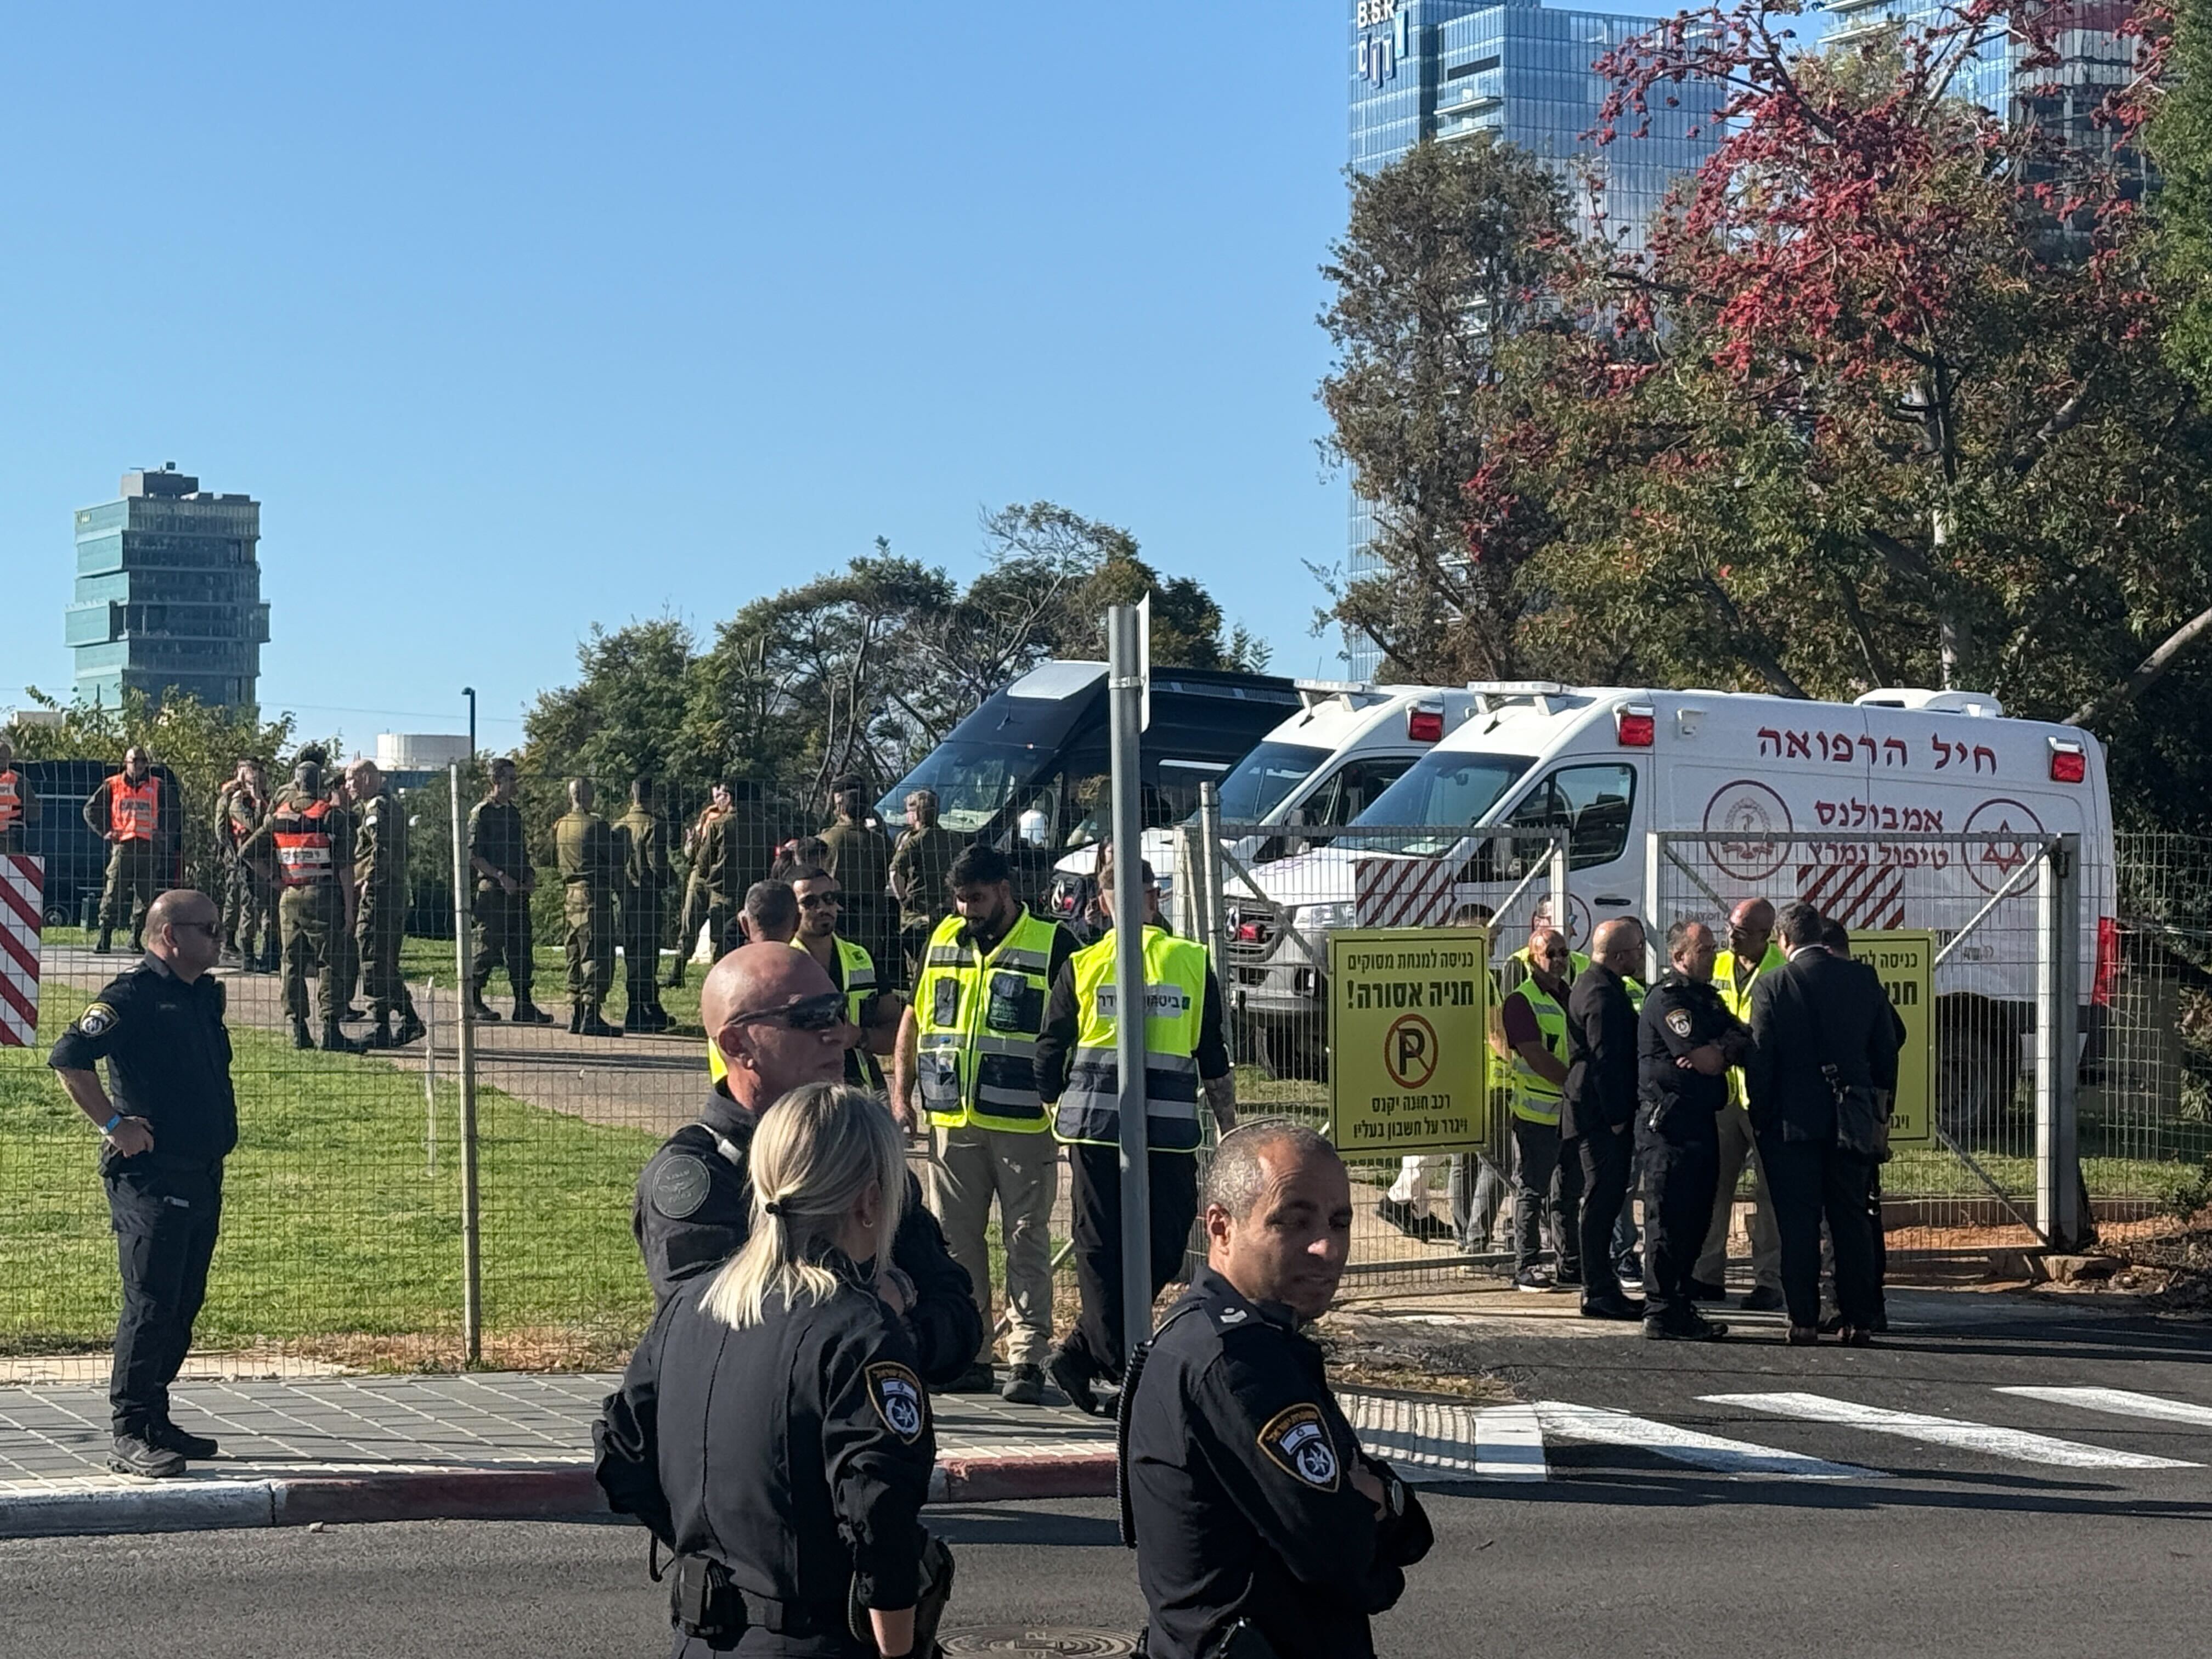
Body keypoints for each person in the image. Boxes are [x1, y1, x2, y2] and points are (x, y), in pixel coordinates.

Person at [597, 1082, 950, 1658]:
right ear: (867, 1202)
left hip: (699, 1635)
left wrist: (711, 1552)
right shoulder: (859, 1332)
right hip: (814, 1636)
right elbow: (878, 1512)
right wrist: (902, 1650)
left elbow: (622, 1453)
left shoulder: (692, 1306)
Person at [1119, 1121, 1432, 1659]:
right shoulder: (1238, 1362)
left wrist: (1384, 1504)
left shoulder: (1206, 1334)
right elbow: (1342, 1558)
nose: (1326, 1248)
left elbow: (1391, 1528)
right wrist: (1382, 1515)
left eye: (1339, 1222)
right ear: (1220, 1228)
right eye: (1293, 1221)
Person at [631, 943, 982, 1387]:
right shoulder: (699, 1174)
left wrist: (872, 1328)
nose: (837, 1032)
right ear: (738, 1045)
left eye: (837, 1011)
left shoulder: (867, 1152)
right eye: (810, 1018)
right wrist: (881, 1301)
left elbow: (958, 1324)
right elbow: (720, 1334)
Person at [1036, 849, 1238, 1417]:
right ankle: (1123, 1362)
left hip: (1138, 1131)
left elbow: (1051, 1047)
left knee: (1130, 1248)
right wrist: (1229, 1127)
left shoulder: (1180, 961)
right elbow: (1214, 1058)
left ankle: (1084, 1353)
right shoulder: (1094, 962)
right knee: (1130, 1248)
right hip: (1122, 1131)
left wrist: (1057, 1110)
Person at [47, 889, 237, 1477]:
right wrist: (113, 1124)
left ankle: (155, 1415)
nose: (218, 937)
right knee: (151, 1303)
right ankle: (130, 1430)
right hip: (152, 1179)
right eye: (208, 928)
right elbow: (69, 1058)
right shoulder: (132, 996)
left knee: (183, 1303)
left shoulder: (200, 997)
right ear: (170, 935)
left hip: (202, 1172)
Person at [891, 843, 1074, 1402]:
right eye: (959, 899)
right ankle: (970, 1352)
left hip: (1025, 1121)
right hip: (951, 1119)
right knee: (956, 1242)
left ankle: (1028, 1357)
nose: (966, 910)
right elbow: (915, 1019)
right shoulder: (943, 939)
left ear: (1004, 890)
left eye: (975, 898)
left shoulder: (1053, 943)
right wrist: (901, 1097)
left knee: (1026, 1239)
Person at [1743, 901, 1902, 1346]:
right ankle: (1858, 1319)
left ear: (1784, 940)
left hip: (1793, 1124)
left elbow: (1762, 1059)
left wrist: (1764, 1114)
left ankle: (1804, 1319)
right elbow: (1886, 1050)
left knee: (1799, 1223)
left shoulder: (1773, 985)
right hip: (1851, 1117)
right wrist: (1876, 1104)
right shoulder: (1863, 979)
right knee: (1850, 1220)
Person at [1636, 921, 1750, 1341]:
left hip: (1702, 1121)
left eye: (1713, 948)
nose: (1713, 955)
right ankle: (1662, 1310)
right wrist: (1717, 1051)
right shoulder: (1669, 1001)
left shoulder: (1708, 999)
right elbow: (1703, 1060)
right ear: (1679, 956)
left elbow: (1743, 1040)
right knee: (1669, 1220)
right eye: (1704, 950)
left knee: (1698, 1217)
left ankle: (1683, 1303)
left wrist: (1719, 1047)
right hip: (1670, 1127)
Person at [238, 748, 365, 1054]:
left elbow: (247, 853)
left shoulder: (278, 816)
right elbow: (345, 868)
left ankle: (298, 1028)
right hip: (323, 894)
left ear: (296, 783)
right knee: (329, 962)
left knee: (291, 963)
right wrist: (349, 909)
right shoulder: (330, 816)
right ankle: (331, 1029)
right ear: (320, 784)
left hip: (290, 896)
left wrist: (274, 879)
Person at [1697, 898, 1786, 1311]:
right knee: (1713, 1185)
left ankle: (1770, 1281)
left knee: (1770, 1193)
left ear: (1767, 935)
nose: (1732, 936)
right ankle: (1706, 1274)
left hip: (1766, 1097)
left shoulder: (1781, 970)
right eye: (1731, 926)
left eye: (1743, 931)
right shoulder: (1715, 966)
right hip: (1722, 1093)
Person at [1821, 917, 1906, 1331]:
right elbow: (1896, 1037)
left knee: (1843, 1215)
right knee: (1863, 1211)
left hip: (1843, 1117)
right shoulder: (1866, 985)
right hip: (1867, 1115)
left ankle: (1845, 1303)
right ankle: (1870, 1303)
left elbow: (1893, 1037)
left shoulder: (1844, 986)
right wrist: (1881, 1101)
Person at [1564, 916, 1646, 1321]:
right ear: (1618, 955)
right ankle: (1598, 1289)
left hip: (1594, 1110)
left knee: (1606, 1197)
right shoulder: (1601, 996)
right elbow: (1605, 1063)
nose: (1640, 956)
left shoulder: (1595, 984)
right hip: (1599, 1115)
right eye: (1635, 950)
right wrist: (1617, 1117)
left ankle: (1602, 1286)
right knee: (1602, 1198)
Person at [1501, 928, 1578, 1292]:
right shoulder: (1521, 1001)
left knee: (1568, 1193)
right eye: (1551, 953)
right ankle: (1526, 1265)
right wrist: (1575, 1084)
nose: (1560, 960)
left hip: (1570, 1113)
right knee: (1532, 1190)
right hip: (1537, 1115)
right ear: (1534, 958)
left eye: (1564, 953)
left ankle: (1570, 1264)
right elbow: (1534, 1054)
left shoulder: (1570, 996)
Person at [789, 866, 898, 1091]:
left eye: (829, 898)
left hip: (863, 1092)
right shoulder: (780, 963)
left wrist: (859, 1036)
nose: (822, 908)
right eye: (810, 902)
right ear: (791, 909)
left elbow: (898, 1032)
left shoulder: (863, 958)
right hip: (801, 1096)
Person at [345, 759, 424, 1050]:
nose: (348, 786)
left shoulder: (378, 808)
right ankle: (408, 1017)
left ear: (368, 777)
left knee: (373, 953)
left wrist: (370, 882)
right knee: (384, 959)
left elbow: (381, 851)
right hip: (390, 892)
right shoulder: (382, 806)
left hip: (381, 894)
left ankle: (381, 1024)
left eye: (352, 779)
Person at [469, 757, 551, 1025]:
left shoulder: (513, 813)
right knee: (488, 946)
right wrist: (500, 876)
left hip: (517, 891)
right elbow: (473, 855)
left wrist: (528, 875)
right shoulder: (482, 813)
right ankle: (473, 998)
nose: (516, 785)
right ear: (496, 781)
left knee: (521, 947)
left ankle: (524, 1002)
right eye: (511, 779)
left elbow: (521, 850)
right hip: (493, 890)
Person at [84, 746, 168, 955]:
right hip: (123, 845)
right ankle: (105, 937)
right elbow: (90, 810)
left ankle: (136, 938)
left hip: (148, 847)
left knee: (146, 896)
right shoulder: (112, 785)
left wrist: (164, 833)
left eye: (142, 760)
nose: (138, 764)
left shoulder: (158, 785)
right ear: (126, 761)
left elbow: (173, 812)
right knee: (114, 893)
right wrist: (105, 831)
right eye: (134, 760)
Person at [554, 778, 620, 1038]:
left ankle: (576, 1011)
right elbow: (615, 855)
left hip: (569, 893)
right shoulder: (596, 825)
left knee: (574, 951)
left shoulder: (561, 825)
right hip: (593, 892)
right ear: (587, 796)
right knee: (596, 949)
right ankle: (592, 1011)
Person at [614, 777, 673, 1034]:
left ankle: (646, 1003)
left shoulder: (619, 827)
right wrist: (671, 879)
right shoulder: (654, 825)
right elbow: (657, 863)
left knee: (632, 950)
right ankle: (639, 1007)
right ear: (652, 796)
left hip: (626, 895)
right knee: (648, 953)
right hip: (647, 895)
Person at [819, 786, 894, 982]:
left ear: (842, 809)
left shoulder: (828, 839)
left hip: (841, 914)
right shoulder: (879, 842)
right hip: (871, 915)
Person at [887, 789, 960, 988]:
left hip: (917, 913)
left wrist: (902, 898)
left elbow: (894, 872)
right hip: (947, 912)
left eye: (909, 810)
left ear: (918, 813)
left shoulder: (914, 841)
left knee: (918, 968)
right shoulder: (953, 839)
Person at [666, 781, 732, 990]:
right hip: (700, 876)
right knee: (689, 921)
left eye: (721, 795)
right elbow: (692, 854)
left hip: (720, 878)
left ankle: (718, 977)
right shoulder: (708, 816)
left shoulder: (730, 821)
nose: (718, 800)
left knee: (720, 929)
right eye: (715, 796)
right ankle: (678, 971)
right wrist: (689, 846)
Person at [215, 760, 268, 970]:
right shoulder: (236, 799)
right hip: (243, 856)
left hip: (264, 858)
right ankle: (234, 944)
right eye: (249, 772)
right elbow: (255, 825)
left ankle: (263, 948)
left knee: (257, 903)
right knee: (242, 900)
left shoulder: (263, 797)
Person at [0, 733, 39, 854]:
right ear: (9, 759)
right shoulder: (18, 780)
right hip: (9, 840)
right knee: (11, 871)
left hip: (9, 838)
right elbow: (34, 814)